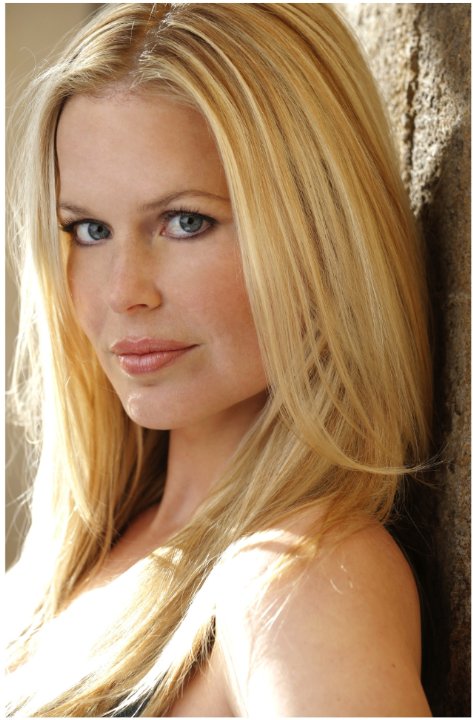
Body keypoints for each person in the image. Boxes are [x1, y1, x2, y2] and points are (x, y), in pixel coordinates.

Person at [6, 3, 433, 716]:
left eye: (185, 221)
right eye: (89, 229)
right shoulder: (61, 566)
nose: (124, 292)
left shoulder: (299, 576)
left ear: (323, 232)